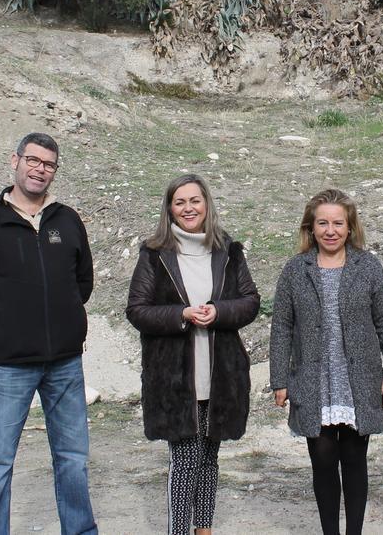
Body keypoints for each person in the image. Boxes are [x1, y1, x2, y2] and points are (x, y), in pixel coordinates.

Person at [0, 132, 98, 535]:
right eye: (33, 160)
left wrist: (62, 323)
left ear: (54, 171)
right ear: (15, 161)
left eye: (48, 164)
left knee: (73, 459)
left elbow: (82, 282)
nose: (39, 169)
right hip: (7, 366)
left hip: (65, 363)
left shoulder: (67, 219)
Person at [126, 174, 260, 535]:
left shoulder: (229, 251)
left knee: (210, 457)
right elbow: (137, 310)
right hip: (174, 377)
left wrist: (218, 311)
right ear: (169, 207)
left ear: (207, 204)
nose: (188, 208)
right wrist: (181, 314)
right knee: (185, 458)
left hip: (220, 374)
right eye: (180, 202)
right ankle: (178, 531)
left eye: (195, 201)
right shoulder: (154, 255)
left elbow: (250, 302)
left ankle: (204, 529)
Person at [269, 188, 383, 535]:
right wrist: (279, 379)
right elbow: (282, 325)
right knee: (324, 463)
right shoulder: (295, 270)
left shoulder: (368, 266)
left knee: (355, 462)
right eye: (323, 223)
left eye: (338, 223)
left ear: (350, 227)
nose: (331, 230)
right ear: (311, 228)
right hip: (313, 380)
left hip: (358, 380)